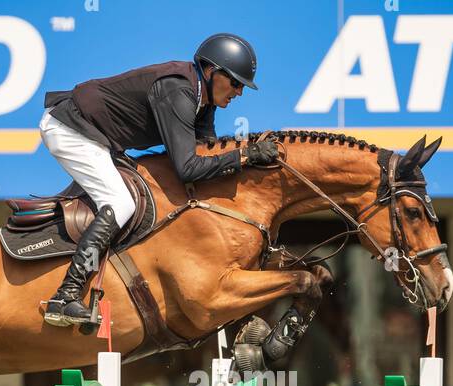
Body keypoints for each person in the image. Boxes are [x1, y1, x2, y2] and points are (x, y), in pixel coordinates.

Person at [38, 33, 280, 326]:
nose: (239, 92)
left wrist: (248, 160)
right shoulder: (178, 91)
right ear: (211, 71)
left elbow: (209, 154)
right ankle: (65, 295)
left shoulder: (204, 100)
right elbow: (188, 168)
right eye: (236, 83)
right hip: (70, 129)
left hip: (98, 137)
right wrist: (246, 156)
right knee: (120, 203)